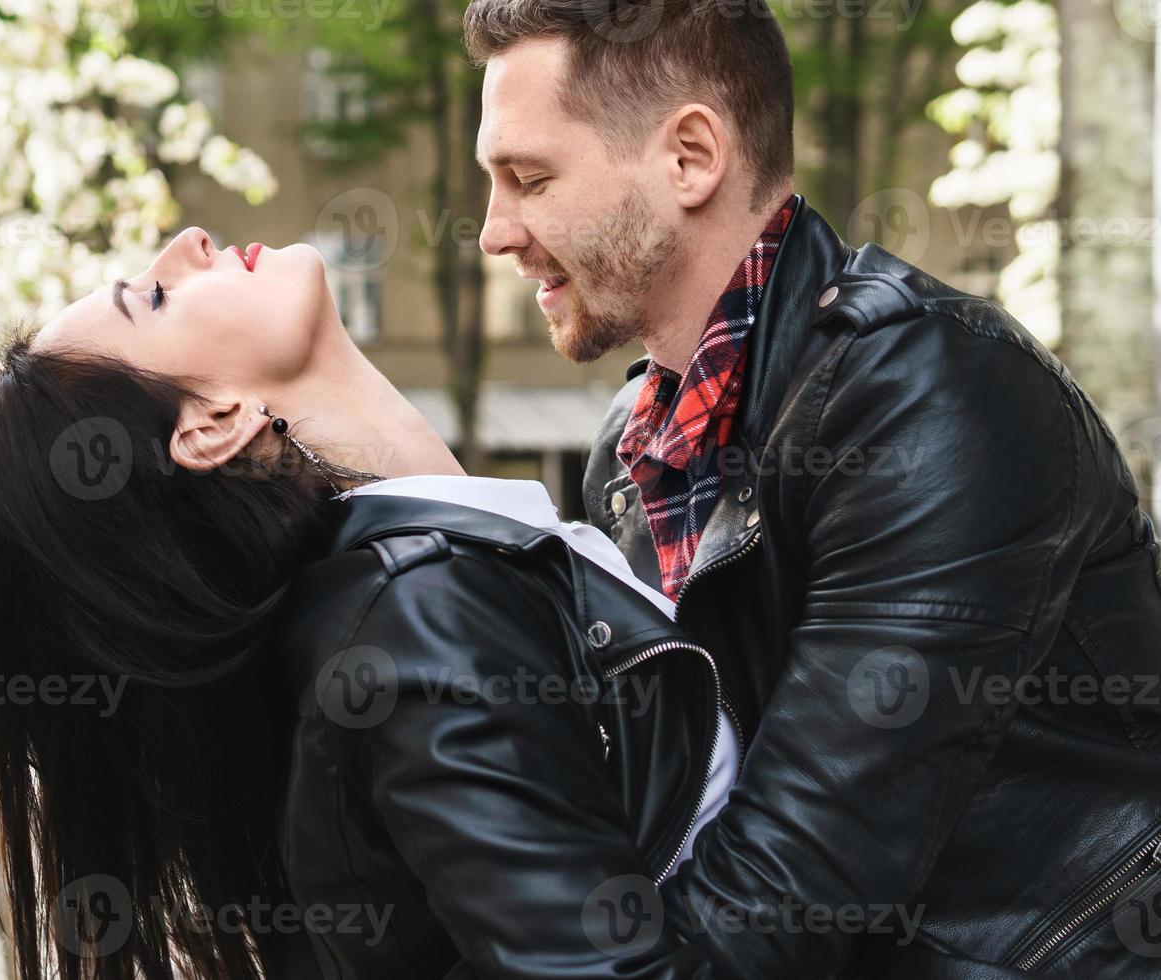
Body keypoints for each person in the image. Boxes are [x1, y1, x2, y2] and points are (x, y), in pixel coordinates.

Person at [465, 0, 1161, 976]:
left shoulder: (927, 398)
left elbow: (785, 900)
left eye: (529, 178)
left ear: (691, 157)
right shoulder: (631, 455)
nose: (495, 231)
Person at [0, 226, 739, 980]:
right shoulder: (421, 617)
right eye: (157, 297)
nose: (190, 241)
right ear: (214, 422)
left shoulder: (420, 590)